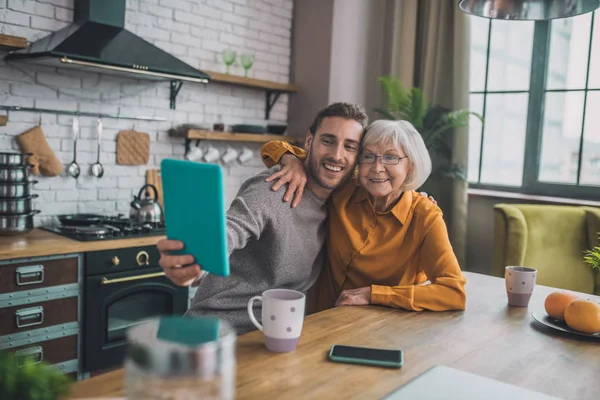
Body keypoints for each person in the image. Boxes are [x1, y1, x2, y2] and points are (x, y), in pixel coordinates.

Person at [157, 102, 369, 334]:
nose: (337, 155)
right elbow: (231, 229)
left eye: (349, 146)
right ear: (309, 141)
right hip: (216, 333)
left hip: (273, 337)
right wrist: (194, 260)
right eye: (327, 141)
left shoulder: (342, 199)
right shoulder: (275, 187)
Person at [261, 119, 467, 313]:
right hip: (319, 319)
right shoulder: (344, 188)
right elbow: (271, 148)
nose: (377, 168)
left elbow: (453, 293)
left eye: (390, 157)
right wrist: (293, 162)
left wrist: (374, 294)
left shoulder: (425, 216)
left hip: (383, 328)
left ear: (410, 166)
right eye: (368, 156)